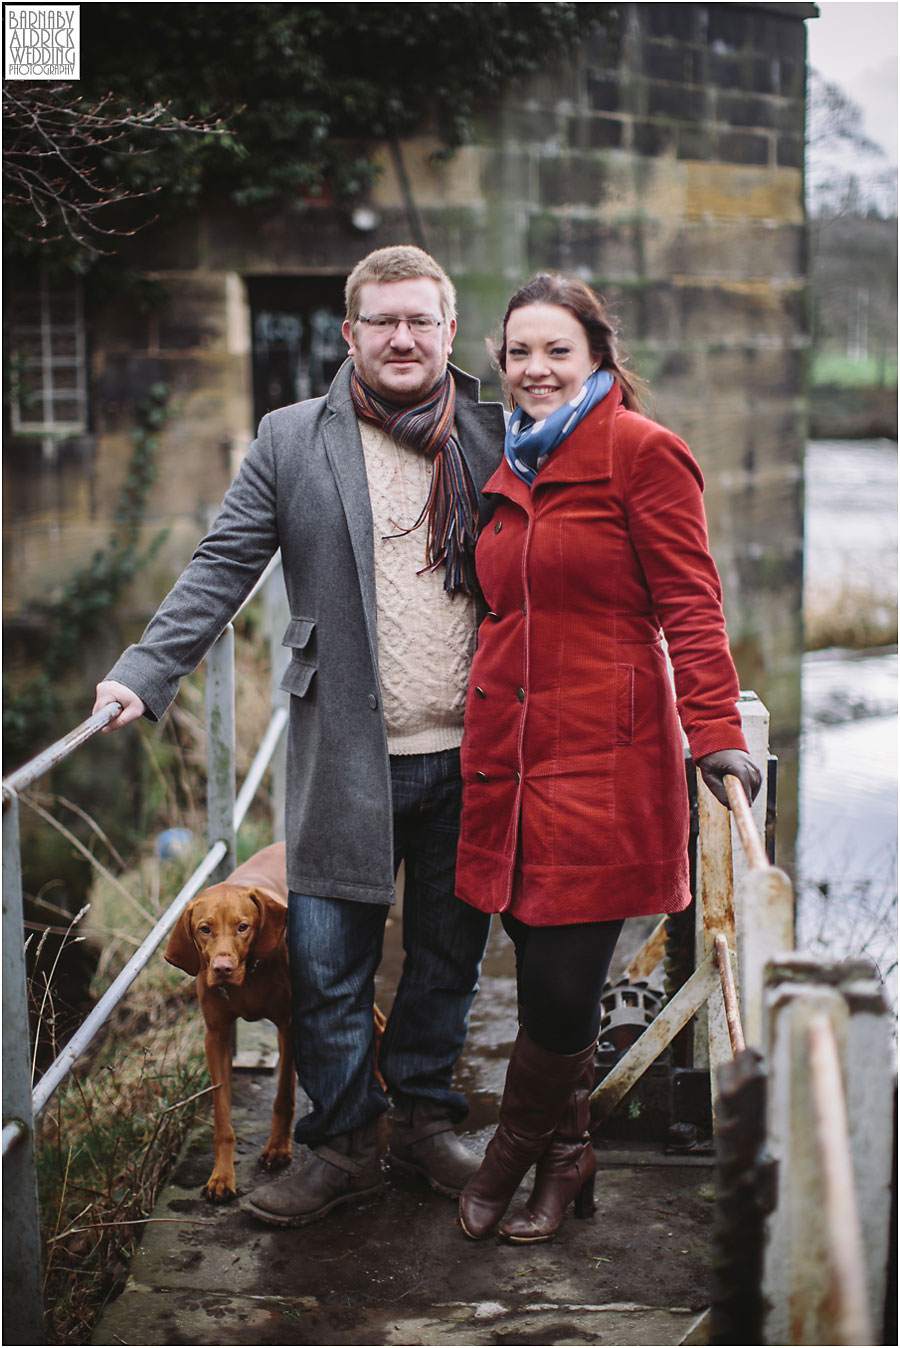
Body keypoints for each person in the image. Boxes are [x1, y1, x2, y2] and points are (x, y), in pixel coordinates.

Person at [92, 245, 506, 1226]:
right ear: (351, 333)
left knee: (449, 955)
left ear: (449, 332)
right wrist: (144, 674)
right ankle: (345, 1137)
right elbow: (221, 565)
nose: (401, 338)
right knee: (323, 962)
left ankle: (426, 1120)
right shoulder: (290, 439)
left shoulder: (496, 435)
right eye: (381, 322)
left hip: (473, 752)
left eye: (420, 321)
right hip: (342, 755)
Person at [453, 273, 761, 1245]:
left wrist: (718, 736)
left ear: (597, 357)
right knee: (537, 960)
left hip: (605, 759)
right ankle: (569, 1157)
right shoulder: (508, 464)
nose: (534, 369)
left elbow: (692, 607)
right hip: (508, 759)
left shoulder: (642, 452)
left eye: (556, 350)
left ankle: (512, 1147)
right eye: (518, 352)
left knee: (556, 989)